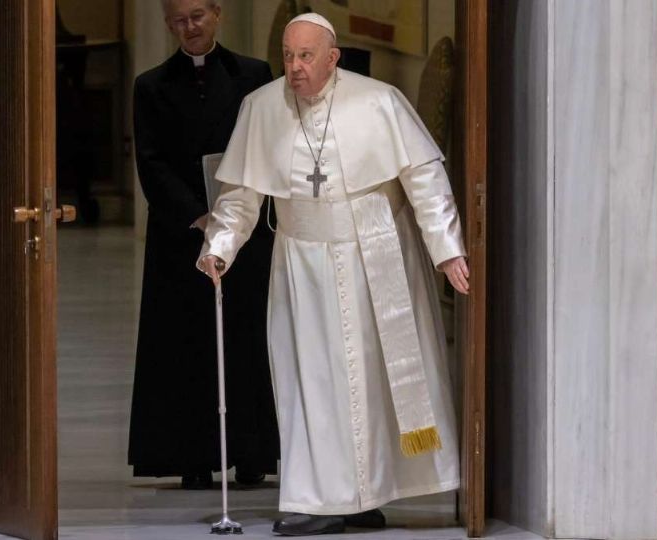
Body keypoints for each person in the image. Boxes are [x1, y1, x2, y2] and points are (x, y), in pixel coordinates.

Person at [199, 13, 470, 535]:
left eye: (306, 57)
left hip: (375, 252)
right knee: (312, 380)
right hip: (301, 260)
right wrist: (220, 247)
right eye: (288, 56)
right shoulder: (262, 107)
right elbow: (241, 195)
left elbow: (424, 177)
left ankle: (364, 494)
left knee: (372, 383)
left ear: (333, 58)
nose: (295, 68)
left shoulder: (379, 101)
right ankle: (319, 498)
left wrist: (446, 249)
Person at [128, 0, 279, 490]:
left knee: (245, 338)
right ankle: (192, 456)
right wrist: (199, 215)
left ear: (217, 14)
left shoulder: (254, 75)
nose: (187, 28)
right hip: (181, 235)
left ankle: (252, 455)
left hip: (246, 233)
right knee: (183, 341)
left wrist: (234, 213)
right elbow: (151, 161)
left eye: (196, 16)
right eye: (177, 21)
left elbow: (268, 145)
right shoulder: (150, 85)